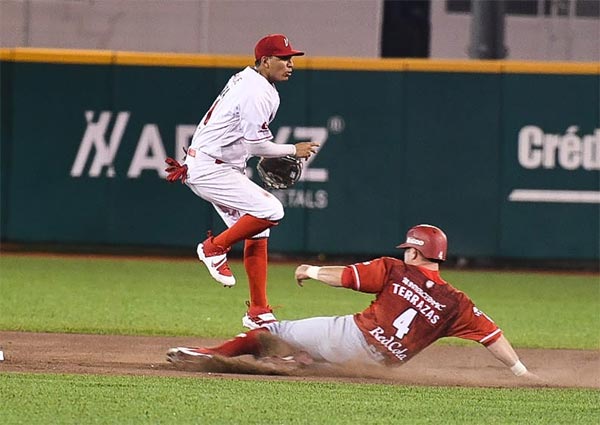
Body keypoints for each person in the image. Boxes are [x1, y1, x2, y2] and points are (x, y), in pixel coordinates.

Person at [167, 224, 536, 379]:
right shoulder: (456, 302)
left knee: (268, 330)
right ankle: (299, 360)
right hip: (383, 361)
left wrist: (310, 271)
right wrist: (521, 372)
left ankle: (208, 353)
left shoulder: (395, 269)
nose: (405, 252)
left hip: (353, 338)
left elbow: (345, 277)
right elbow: (493, 337)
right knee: (311, 355)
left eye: (408, 247)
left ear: (414, 252)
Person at [164, 34, 319, 329]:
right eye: (284, 59)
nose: (290, 64)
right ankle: (213, 248)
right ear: (264, 61)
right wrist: (291, 150)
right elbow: (256, 146)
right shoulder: (256, 92)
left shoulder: (252, 81)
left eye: (291, 59)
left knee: (258, 233)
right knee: (272, 211)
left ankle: (259, 311)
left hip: (216, 165)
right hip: (211, 169)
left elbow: (245, 138)